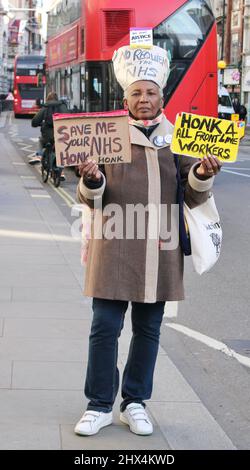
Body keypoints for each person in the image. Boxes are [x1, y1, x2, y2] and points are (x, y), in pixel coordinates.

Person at [74, 45, 222, 437]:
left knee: (149, 329)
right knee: (104, 327)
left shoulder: (179, 138)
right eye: (137, 93)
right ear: (126, 98)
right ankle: (99, 405)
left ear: (161, 96)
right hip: (114, 243)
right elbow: (91, 195)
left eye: (151, 92)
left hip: (160, 247)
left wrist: (203, 172)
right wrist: (91, 178)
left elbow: (193, 194)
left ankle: (135, 402)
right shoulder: (105, 136)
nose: (144, 99)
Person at [29, 91, 68, 180]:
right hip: (60, 135)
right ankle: (61, 172)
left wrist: (39, 123)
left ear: (48, 99)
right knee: (61, 152)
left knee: (41, 140)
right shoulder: (63, 106)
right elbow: (68, 119)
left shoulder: (45, 107)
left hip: (47, 136)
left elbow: (35, 122)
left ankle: (39, 155)